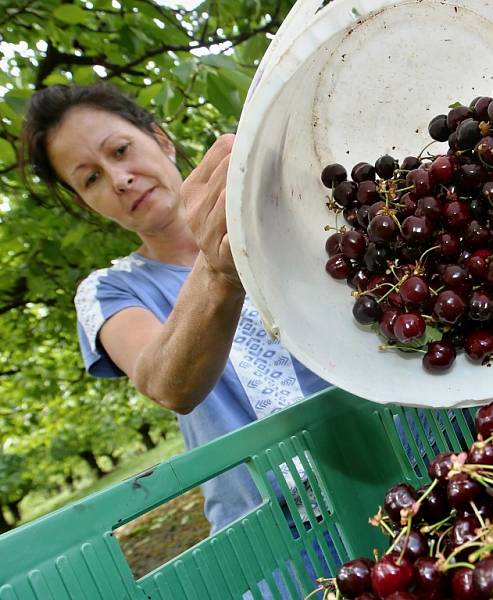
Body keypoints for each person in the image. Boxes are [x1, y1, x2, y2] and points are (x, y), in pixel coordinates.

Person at [21, 83, 333, 576]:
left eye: (120, 151)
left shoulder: (274, 210)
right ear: (86, 203)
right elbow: (166, 381)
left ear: (161, 138)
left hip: (386, 457)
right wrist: (217, 271)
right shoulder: (109, 291)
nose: (119, 179)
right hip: (274, 545)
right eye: (91, 179)